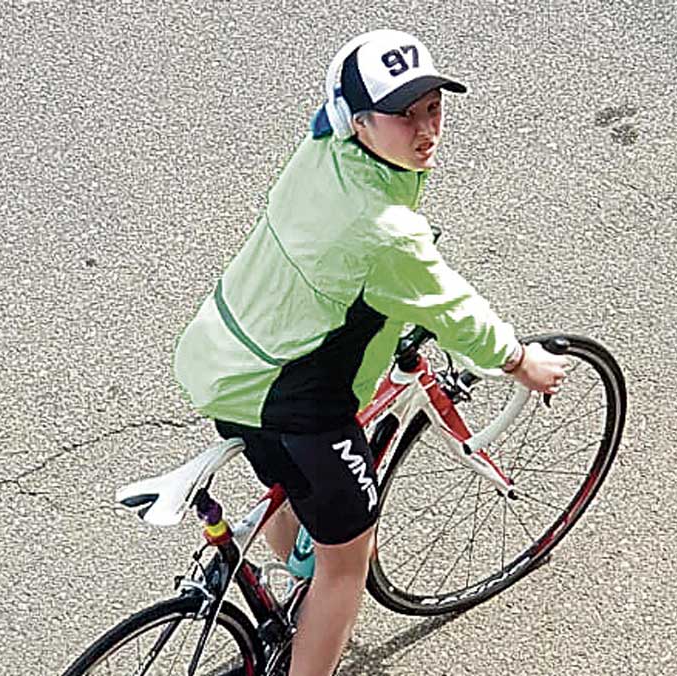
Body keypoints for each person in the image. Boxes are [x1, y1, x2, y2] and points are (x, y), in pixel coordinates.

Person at [173, 29, 569, 675]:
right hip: (292, 400)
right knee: (346, 565)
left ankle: (291, 569)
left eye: (433, 107)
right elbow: (452, 309)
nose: (424, 129)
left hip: (225, 360)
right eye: (402, 114)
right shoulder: (386, 233)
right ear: (356, 122)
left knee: (292, 488)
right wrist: (520, 361)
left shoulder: (319, 151)